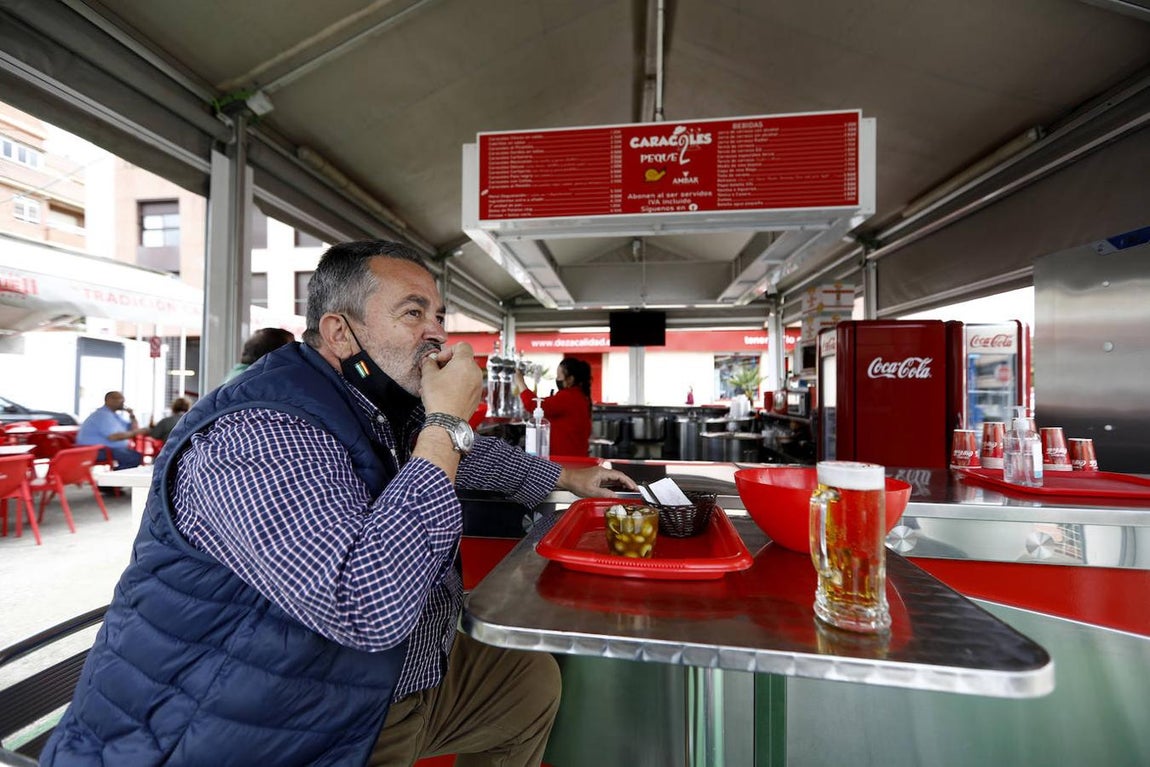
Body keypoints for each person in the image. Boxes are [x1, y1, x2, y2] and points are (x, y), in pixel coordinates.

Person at [42, 240, 636, 767]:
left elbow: (463, 454)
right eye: (413, 313)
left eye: (438, 315)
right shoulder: (258, 433)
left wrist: (565, 476)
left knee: (524, 681)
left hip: (379, 683)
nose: (437, 332)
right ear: (340, 333)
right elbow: (366, 606)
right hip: (257, 721)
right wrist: (447, 421)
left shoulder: (371, 402)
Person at [515, 357, 593, 457]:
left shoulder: (568, 397)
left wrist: (520, 381)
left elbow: (534, 405)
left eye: (559, 376)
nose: (557, 380)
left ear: (570, 379)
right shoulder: (579, 397)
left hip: (566, 460)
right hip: (574, 457)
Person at [73, 390, 149, 469]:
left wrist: (132, 415)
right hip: (94, 450)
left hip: (107, 449)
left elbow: (133, 428)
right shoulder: (103, 415)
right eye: (119, 399)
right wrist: (136, 432)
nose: (123, 401)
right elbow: (113, 437)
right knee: (133, 457)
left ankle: (117, 475)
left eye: (122, 399)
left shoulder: (114, 415)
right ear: (108, 400)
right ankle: (117, 477)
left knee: (135, 456)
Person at [222, 326, 296, 382]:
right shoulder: (255, 380)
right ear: (273, 355)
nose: (295, 354)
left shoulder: (238, 373)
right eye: (292, 349)